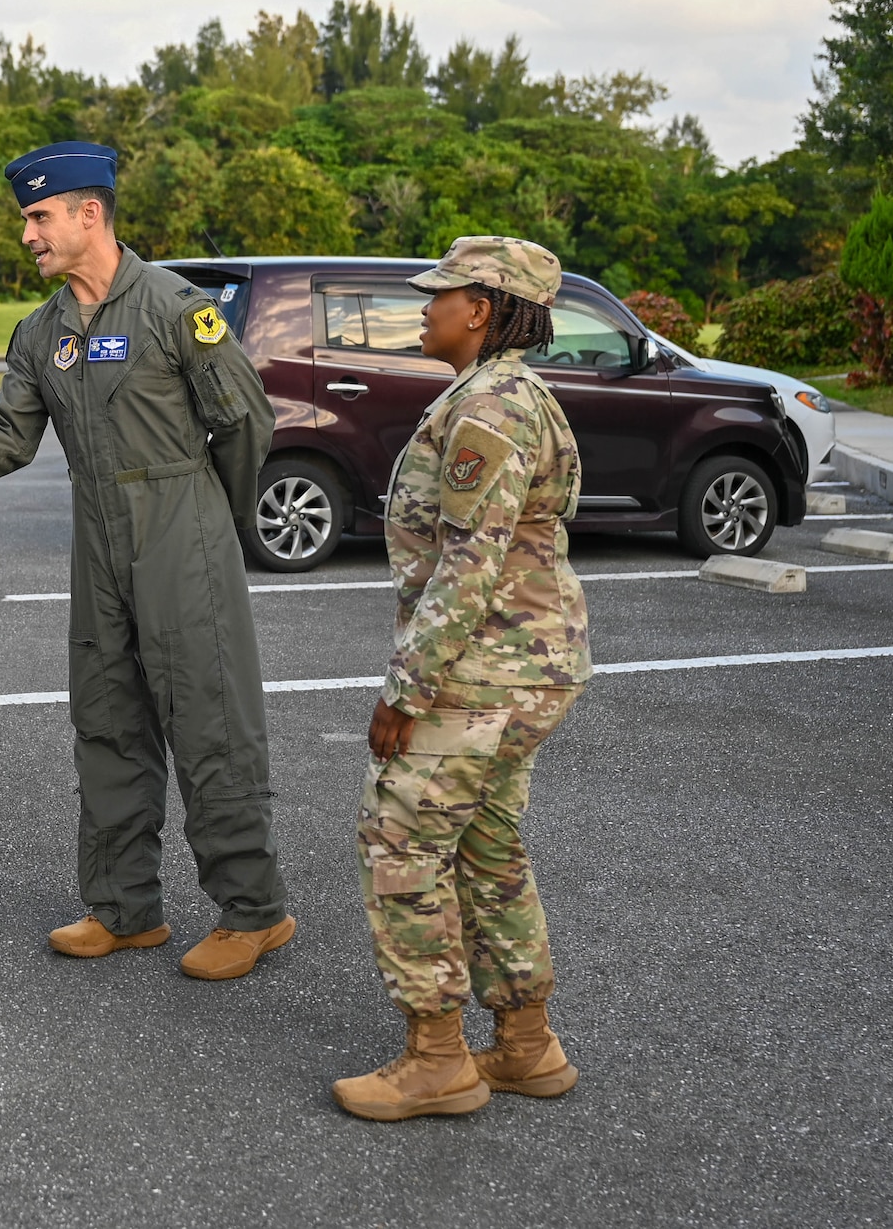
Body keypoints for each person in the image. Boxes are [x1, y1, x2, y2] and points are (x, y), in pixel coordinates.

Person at [0, 142, 294, 981]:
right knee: (107, 718)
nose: (28, 235)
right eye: (27, 219)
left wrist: (212, 520)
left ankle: (253, 911)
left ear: (89, 214)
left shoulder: (177, 308)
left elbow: (245, 422)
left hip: (182, 528)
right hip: (98, 535)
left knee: (209, 721)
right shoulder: (41, 333)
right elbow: (7, 434)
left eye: (39, 217)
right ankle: (124, 907)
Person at [330, 236, 592, 1121]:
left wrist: (406, 690)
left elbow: (468, 563)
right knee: (485, 846)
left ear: (480, 309)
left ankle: (436, 1058)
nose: (425, 306)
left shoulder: (490, 404)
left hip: (485, 671)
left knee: (398, 840)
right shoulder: (507, 394)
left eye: (441, 295)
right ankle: (525, 1045)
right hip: (520, 667)